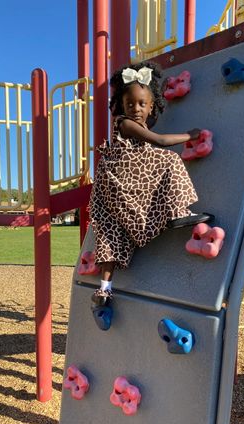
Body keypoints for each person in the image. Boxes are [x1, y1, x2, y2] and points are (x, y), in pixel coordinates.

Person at [89, 61, 213, 321]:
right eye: (130, 104)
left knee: (113, 234)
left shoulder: (138, 126)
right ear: (121, 107)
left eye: (141, 104)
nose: (135, 109)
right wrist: (190, 135)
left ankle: (104, 289)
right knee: (168, 159)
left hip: (118, 185)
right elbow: (160, 142)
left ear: (151, 106)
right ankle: (177, 211)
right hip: (120, 177)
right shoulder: (124, 124)